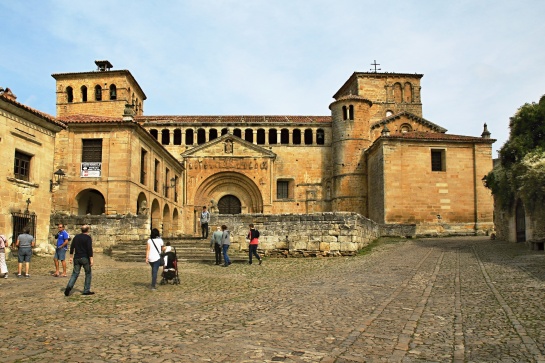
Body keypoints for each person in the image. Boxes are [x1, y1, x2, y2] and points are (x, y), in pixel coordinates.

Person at [64, 224, 94, 296]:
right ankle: (86, 290)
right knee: (88, 273)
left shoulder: (76, 237)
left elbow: (72, 247)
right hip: (84, 258)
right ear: (87, 230)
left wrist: (71, 257)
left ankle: (69, 287)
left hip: (77, 257)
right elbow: (89, 248)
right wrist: (91, 258)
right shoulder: (88, 238)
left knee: (75, 274)